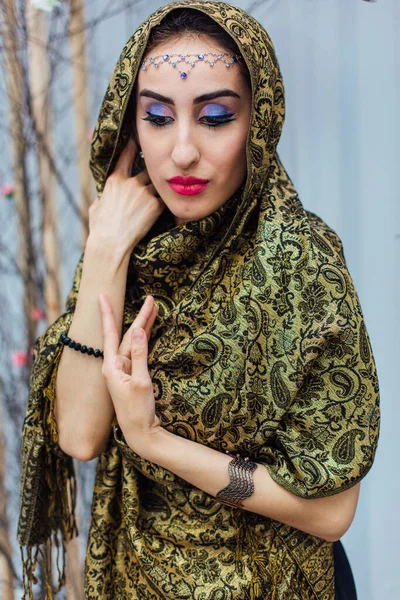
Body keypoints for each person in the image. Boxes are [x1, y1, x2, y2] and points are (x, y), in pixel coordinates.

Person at [18, 2, 380, 599]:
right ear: (131, 130)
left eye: (214, 117)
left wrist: (154, 440)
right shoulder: (127, 244)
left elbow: (331, 512)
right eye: (158, 117)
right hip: (137, 581)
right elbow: (80, 436)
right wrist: (106, 249)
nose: (182, 151)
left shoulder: (301, 261)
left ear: (257, 126)